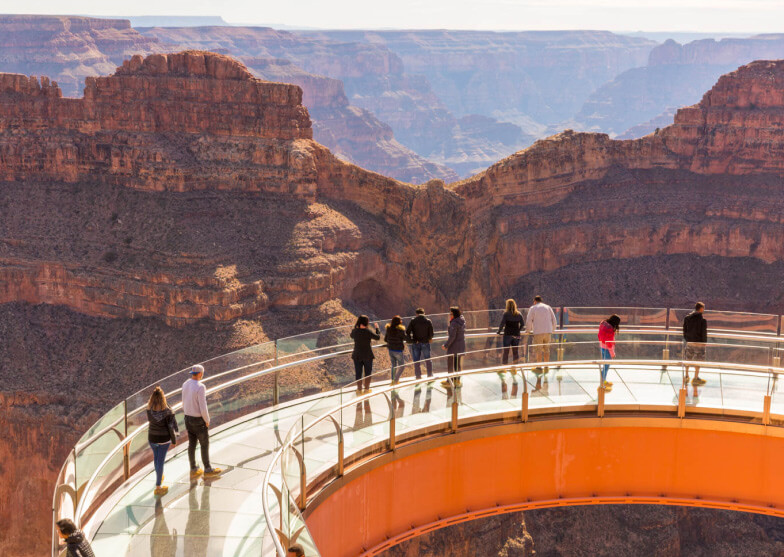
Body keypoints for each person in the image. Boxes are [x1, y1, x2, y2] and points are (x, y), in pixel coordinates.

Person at [182, 364, 222, 479]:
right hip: (198, 420)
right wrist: (207, 420)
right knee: (204, 444)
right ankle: (208, 469)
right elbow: (203, 406)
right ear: (200, 374)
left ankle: (193, 468)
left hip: (187, 418)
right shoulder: (200, 387)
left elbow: (184, 401)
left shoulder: (185, 384)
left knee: (192, 444)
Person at [147, 386, 179, 496]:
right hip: (164, 439)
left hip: (152, 438)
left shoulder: (149, 409)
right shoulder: (167, 411)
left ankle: (159, 476)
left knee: (156, 459)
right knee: (160, 461)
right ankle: (158, 486)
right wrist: (174, 440)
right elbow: (171, 427)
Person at [526, 295, 558, 373]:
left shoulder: (533, 308)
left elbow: (529, 320)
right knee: (547, 349)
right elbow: (554, 319)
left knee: (538, 350)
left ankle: (539, 367)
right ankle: (546, 366)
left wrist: (528, 330)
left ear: (535, 301)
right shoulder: (548, 307)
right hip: (548, 331)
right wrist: (553, 329)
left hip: (538, 332)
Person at [350, 315, 381, 394]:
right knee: (367, 373)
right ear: (366, 322)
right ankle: (366, 389)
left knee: (358, 373)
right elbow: (377, 337)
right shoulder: (368, 331)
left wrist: (356, 327)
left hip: (357, 355)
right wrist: (377, 328)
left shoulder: (355, 331)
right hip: (367, 355)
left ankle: (359, 390)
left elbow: (351, 335)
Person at [683, 302, 708, 386]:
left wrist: (687, 339)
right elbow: (704, 333)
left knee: (688, 359)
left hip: (689, 342)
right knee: (698, 360)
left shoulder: (687, 318)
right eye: (703, 308)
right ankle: (696, 378)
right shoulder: (702, 320)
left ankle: (686, 376)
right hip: (699, 343)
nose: (703, 310)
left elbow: (684, 331)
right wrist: (704, 343)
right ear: (701, 309)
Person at [406, 308, 434, 379]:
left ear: (416, 314)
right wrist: (428, 338)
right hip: (425, 343)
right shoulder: (428, 321)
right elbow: (431, 334)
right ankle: (429, 375)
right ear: (424, 313)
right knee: (428, 359)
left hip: (416, 343)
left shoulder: (413, 321)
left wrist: (412, 340)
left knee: (416, 360)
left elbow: (407, 332)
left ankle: (418, 376)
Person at [442, 306, 466, 387]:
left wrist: (446, 345)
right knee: (457, 364)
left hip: (454, 346)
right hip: (461, 345)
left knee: (451, 364)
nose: (449, 315)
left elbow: (452, 336)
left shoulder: (454, 323)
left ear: (454, 314)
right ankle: (457, 380)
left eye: (451, 314)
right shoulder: (462, 321)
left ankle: (450, 381)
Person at [497, 298, 524, 370]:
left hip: (508, 334)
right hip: (516, 335)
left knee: (506, 351)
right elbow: (522, 324)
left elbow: (502, 324)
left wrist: (499, 331)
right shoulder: (519, 314)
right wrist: (518, 330)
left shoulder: (506, 314)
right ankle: (515, 368)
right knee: (515, 351)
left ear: (507, 306)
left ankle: (504, 367)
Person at [598, 314, 621, 391]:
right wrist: (612, 353)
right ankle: (602, 383)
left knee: (605, 366)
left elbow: (599, 335)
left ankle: (603, 381)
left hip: (602, 346)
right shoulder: (610, 329)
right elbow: (609, 343)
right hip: (607, 349)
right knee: (606, 367)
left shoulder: (603, 324)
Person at [385, 315, 407, 385]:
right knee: (402, 366)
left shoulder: (388, 329)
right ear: (399, 322)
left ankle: (392, 380)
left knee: (393, 365)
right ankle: (396, 380)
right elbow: (405, 338)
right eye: (401, 320)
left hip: (390, 350)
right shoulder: (400, 330)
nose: (402, 321)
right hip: (398, 350)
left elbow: (385, 339)